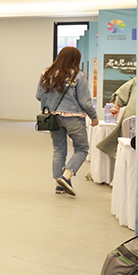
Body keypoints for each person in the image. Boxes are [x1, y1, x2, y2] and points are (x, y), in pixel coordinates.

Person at [36, 46, 98, 196]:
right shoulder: (78, 76)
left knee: (59, 150)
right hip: (73, 118)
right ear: (75, 59)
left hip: (53, 118)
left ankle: (59, 185)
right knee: (82, 149)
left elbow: (39, 95)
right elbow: (84, 101)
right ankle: (66, 176)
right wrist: (93, 116)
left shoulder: (47, 74)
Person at [98, 77, 136, 159]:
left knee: (128, 147)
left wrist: (116, 107)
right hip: (134, 121)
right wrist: (116, 107)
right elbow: (121, 94)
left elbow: (121, 94)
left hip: (131, 120)